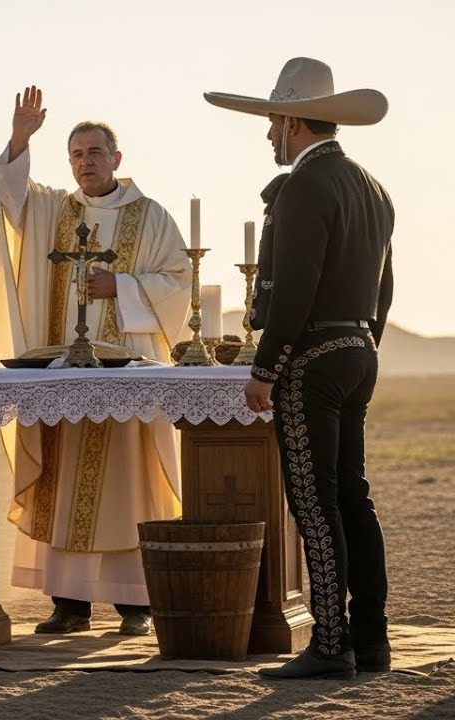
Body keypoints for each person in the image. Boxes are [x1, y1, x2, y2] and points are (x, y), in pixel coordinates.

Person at [207, 57, 394, 680]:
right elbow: (385, 285)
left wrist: (267, 367)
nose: (267, 135)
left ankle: (331, 644)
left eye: (271, 123)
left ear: (291, 121)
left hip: (312, 356)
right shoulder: (371, 186)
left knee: (316, 503)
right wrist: (367, 346)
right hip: (358, 350)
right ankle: (371, 640)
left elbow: (293, 291)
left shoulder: (306, 187)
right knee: (353, 496)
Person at [0, 86, 192, 635]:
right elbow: (13, 198)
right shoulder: (56, 210)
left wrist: (121, 286)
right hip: (65, 371)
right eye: (76, 154)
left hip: (125, 370)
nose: (85, 162)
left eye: (95, 153)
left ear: (117, 159)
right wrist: (19, 138)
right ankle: (69, 604)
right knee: (64, 477)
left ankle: (135, 604)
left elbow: (179, 281)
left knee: (130, 482)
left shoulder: (150, 217)